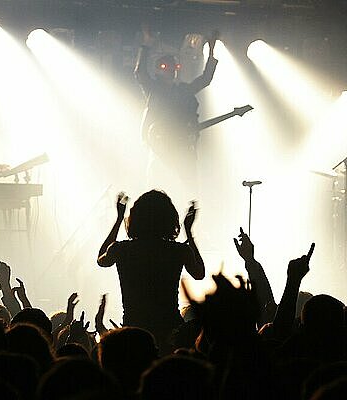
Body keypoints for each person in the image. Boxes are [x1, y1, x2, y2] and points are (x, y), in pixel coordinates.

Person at [97, 190, 205, 352]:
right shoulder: (178, 250)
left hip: (134, 328)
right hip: (170, 329)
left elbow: (101, 259)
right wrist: (189, 233)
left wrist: (119, 219)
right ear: (169, 219)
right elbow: (199, 273)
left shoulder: (122, 249)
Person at [134, 28, 218, 185]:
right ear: (159, 70)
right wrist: (144, 46)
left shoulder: (183, 91)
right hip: (160, 149)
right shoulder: (155, 90)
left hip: (183, 150)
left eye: (174, 68)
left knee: (188, 188)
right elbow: (140, 73)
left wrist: (212, 52)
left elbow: (205, 79)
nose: (171, 71)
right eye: (167, 67)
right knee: (157, 186)